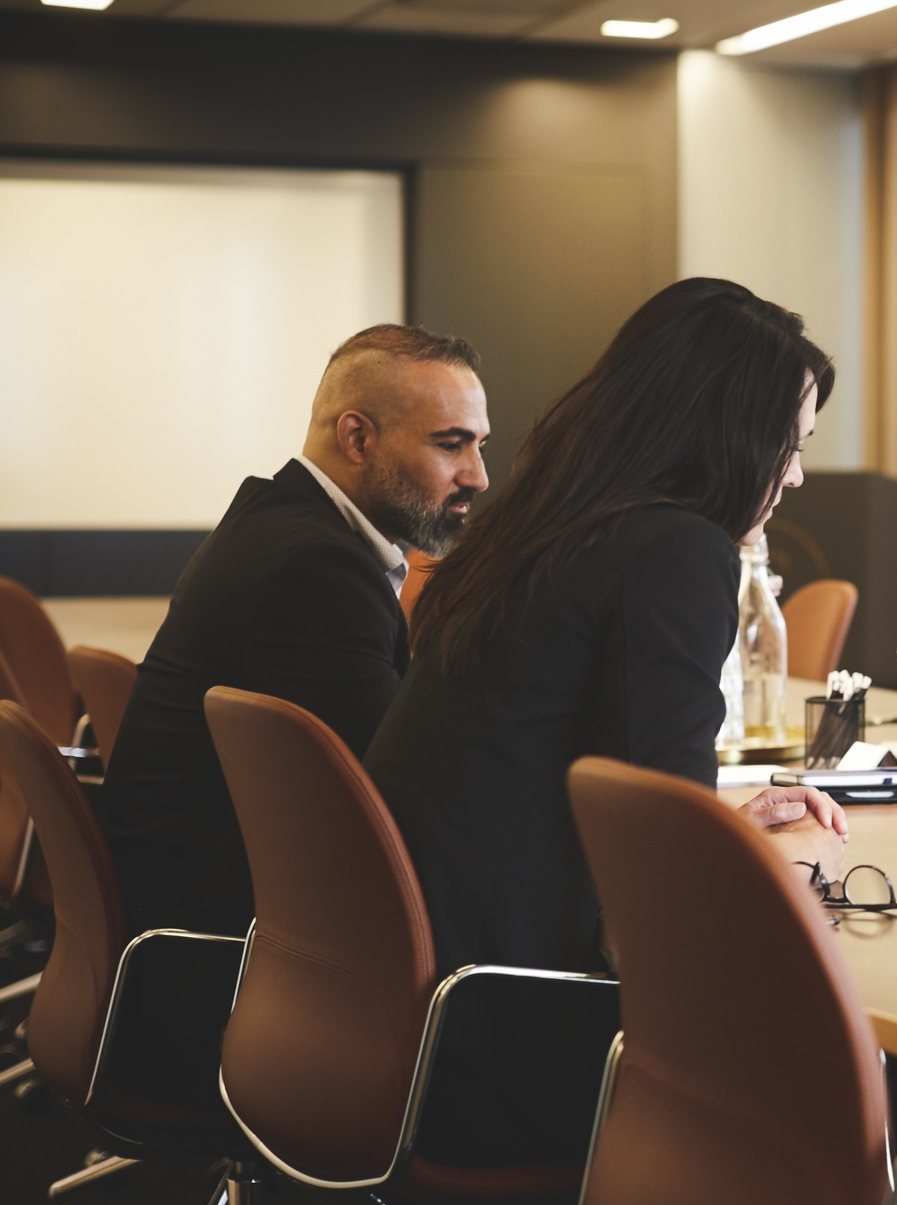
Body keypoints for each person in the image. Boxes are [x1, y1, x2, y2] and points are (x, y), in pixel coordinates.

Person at [363, 280, 848, 1152]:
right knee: (863, 1068)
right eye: (789, 443)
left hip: (424, 985)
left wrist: (720, 823)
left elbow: (561, 778)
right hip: (522, 1020)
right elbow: (668, 882)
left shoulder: (542, 529)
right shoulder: (677, 552)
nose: (797, 474)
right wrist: (779, 872)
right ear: (729, 430)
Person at [102, 324, 491, 938]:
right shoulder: (314, 570)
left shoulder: (278, 523)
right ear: (357, 437)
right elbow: (398, 796)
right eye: (451, 445)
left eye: (479, 446)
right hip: (217, 941)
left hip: (184, 908)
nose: (477, 476)